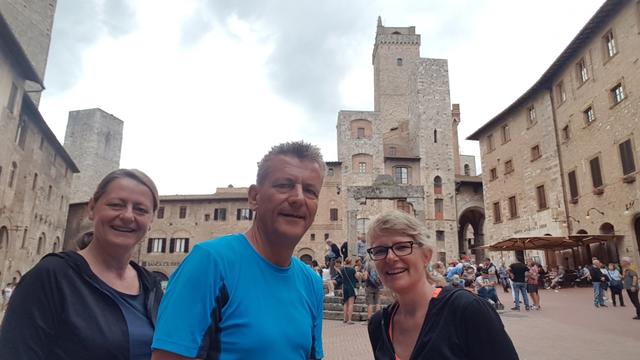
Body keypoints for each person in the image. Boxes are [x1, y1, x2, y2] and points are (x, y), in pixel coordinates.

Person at [151, 141, 325, 359]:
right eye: (284, 185)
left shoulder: (312, 282)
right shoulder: (209, 263)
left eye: (310, 191)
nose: (298, 198)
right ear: (254, 198)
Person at [0, 169, 164, 360]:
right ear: (92, 209)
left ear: (151, 220)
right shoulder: (52, 276)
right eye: (116, 205)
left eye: (140, 210)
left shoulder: (151, 286)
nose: (128, 216)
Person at [366, 210, 518, 359]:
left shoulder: (467, 310)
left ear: (426, 256)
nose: (390, 257)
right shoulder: (378, 325)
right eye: (380, 250)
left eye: (402, 247)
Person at [341, 257, 359, 324]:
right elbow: (357, 277)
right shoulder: (352, 270)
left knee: (345, 303)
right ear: (351, 262)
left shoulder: (342, 269)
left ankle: (344, 318)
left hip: (344, 287)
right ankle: (349, 319)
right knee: (351, 304)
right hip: (351, 287)